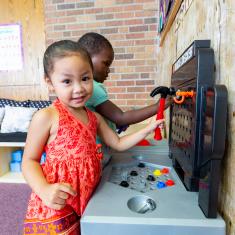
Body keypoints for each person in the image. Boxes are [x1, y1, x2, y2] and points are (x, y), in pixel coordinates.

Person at [22, 40, 164, 235]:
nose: (79, 88)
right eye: (67, 81)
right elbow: (29, 161)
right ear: (49, 82)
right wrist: (44, 190)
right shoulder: (46, 116)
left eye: (85, 78)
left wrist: (147, 129)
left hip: (88, 196)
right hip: (57, 200)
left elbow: (118, 143)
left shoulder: (94, 118)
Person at [78, 32, 171, 136]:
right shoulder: (93, 87)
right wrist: (158, 106)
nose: (108, 70)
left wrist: (113, 123)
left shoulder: (84, 87)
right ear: (86, 59)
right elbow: (121, 117)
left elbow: (104, 118)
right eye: (106, 63)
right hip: (100, 149)